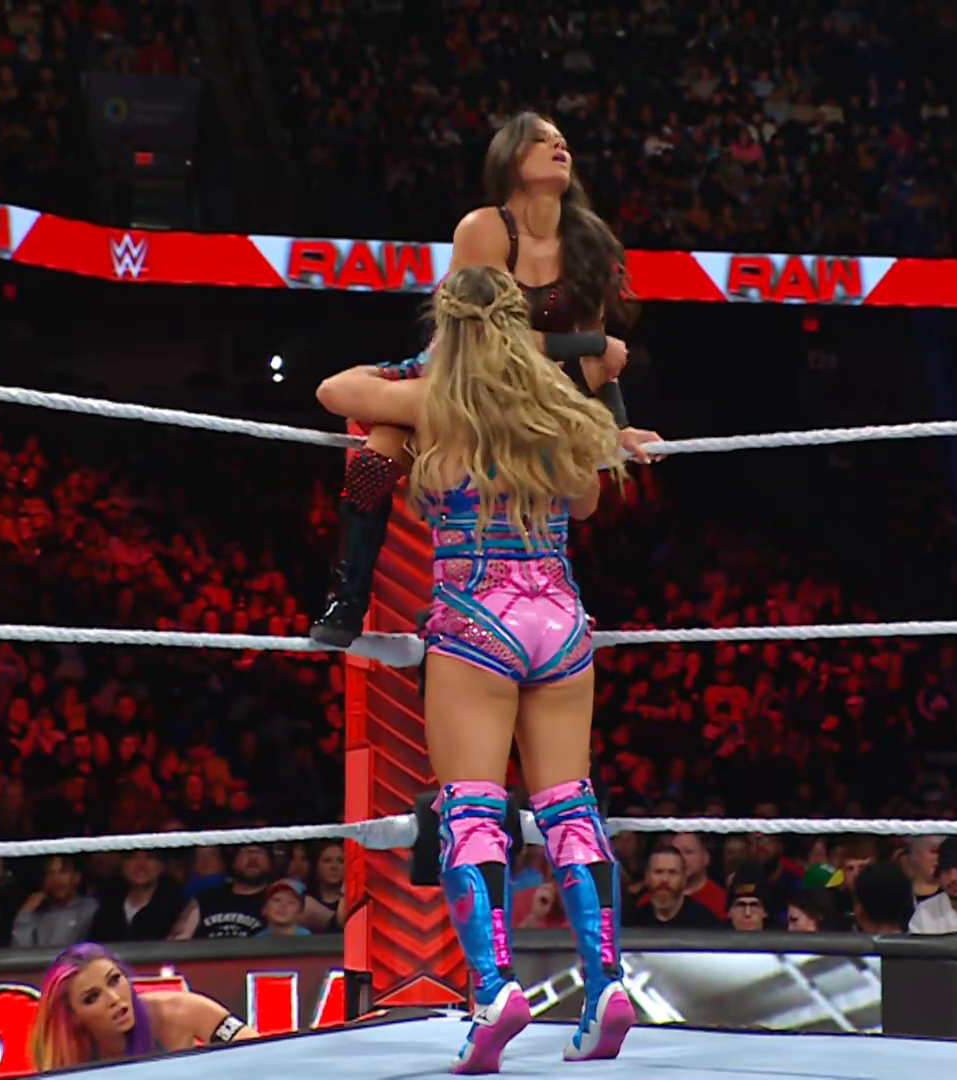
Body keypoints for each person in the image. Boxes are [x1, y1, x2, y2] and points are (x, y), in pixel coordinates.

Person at [316, 265, 629, 1073]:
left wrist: (412, 370)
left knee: (473, 812)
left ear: (446, 329)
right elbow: (588, 501)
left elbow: (334, 390)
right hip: (560, 618)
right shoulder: (555, 406)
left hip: (476, 617)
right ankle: (605, 988)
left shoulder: (435, 402)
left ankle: (494, 990)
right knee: (570, 808)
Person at [311, 111, 660, 648]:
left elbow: (602, 361)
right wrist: (592, 346)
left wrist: (618, 425)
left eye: (562, 140)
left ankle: (464, 595)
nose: (559, 146)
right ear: (510, 157)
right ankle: (348, 599)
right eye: (542, 139)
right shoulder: (485, 228)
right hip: (460, 368)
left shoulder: (587, 241)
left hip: (533, 386)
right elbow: (490, 337)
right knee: (366, 437)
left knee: (388, 438)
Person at [29, 943, 250, 1071]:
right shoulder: (63, 1058)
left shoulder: (179, 1010)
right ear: (73, 1016)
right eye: (92, 998)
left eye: (114, 980)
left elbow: (256, 1052)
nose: (114, 998)